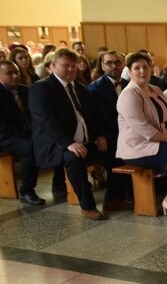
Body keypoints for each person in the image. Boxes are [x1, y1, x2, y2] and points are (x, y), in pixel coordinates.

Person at [29, 48, 110, 220]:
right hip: (55, 144)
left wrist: (100, 136)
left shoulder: (79, 87)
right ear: (52, 66)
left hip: (84, 141)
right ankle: (88, 206)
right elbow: (46, 120)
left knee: (115, 147)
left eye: (74, 66)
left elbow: (93, 116)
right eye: (66, 65)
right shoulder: (42, 88)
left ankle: (115, 196)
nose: (71, 69)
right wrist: (68, 143)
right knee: (74, 157)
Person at [117, 52, 167, 218]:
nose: (142, 71)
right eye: (137, 68)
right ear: (129, 72)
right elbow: (144, 129)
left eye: (145, 67)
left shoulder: (156, 90)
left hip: (161, 141)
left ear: (151, 69)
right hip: (138, 147)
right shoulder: (128, 95)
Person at [87, 50, 132, 211]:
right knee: (116, 158)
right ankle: (112, 199)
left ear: (123, 64)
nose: (114, 66)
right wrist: (101, 137)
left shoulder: (128, 84)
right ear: (102, 65)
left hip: (128, 134)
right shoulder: (95, 88)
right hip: (108, 136)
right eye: (109, 63)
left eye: (117, 62)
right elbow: (93, 117)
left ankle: (130, 193)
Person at [0, 60, 44, 205]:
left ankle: (59, 183)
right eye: (9, 73)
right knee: (31, 146)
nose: (14, 76)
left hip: (26, 132)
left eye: (16, 72)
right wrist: (30, 135)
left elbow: (36, 114)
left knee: (53, 140)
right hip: (5, 136)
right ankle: (27, 190)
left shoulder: (25, 90)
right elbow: (3, 127)